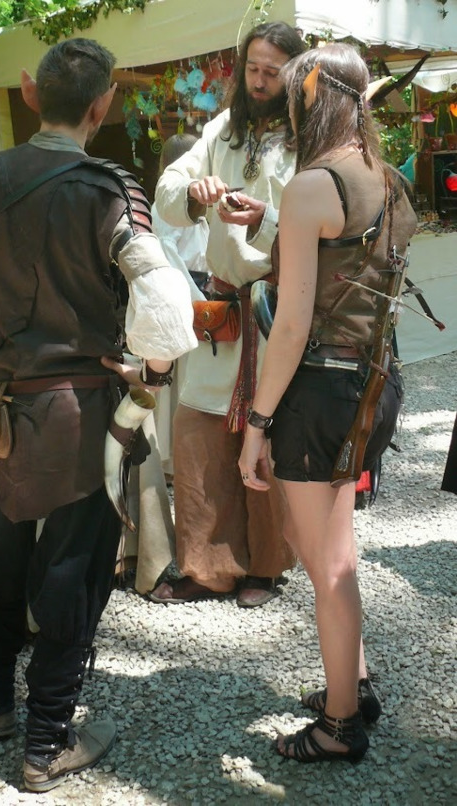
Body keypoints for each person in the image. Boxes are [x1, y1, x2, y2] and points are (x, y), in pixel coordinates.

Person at [0, 37, 197, 791]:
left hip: (0, 406)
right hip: (83, 414)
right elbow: (164, 304)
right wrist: (150, 373)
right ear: (103, 103)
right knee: (72, 569)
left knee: (3, 548)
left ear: (28, 93)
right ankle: (46, 743)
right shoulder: (111, 191)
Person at [233, 43, 417, 761]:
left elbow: (290, 327)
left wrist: (255, 424)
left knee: (329, 559)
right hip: (375, 380)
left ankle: (341, 723)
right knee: (322, 546)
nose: (285, 108)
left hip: (321, 390)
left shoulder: (312, 184)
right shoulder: (387, 177)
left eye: (290, 95)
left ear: (311, 97)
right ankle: (354, 683)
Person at [151, 22, 304, 607]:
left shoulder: (309, 138)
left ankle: (266, 565)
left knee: (269, 433)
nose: (259, 82)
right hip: (221, 311)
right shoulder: (222, 128)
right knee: (199, 433)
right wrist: (194, 195)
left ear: (294, 77)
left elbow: (321, 225)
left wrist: (266, 220)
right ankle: (208, 566)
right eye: (253, 69)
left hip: (275, 310)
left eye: (272, 73)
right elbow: (170, 186)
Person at [151, 133, 210, 475]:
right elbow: (167, 253)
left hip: (196, 292)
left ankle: (182, 458)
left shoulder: (192, 205)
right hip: (181, 295)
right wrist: (196, 301)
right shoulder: (166, 206)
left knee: (190, 380)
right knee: (179, 382)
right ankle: (173, 461)